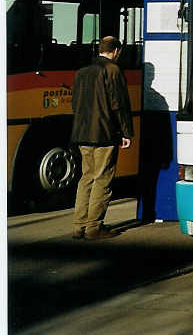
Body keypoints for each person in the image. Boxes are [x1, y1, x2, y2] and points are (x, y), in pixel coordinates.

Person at [70, 36, 134, 240]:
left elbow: (75, 104)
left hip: (83, 133)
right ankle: (94, 227)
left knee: (86, 177)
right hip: (105, 134)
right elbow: (119, 104)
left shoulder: (82, 72)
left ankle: (78, 226)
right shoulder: (113, 71)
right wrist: (126, 132)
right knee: (103, 179)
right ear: (115, 51)